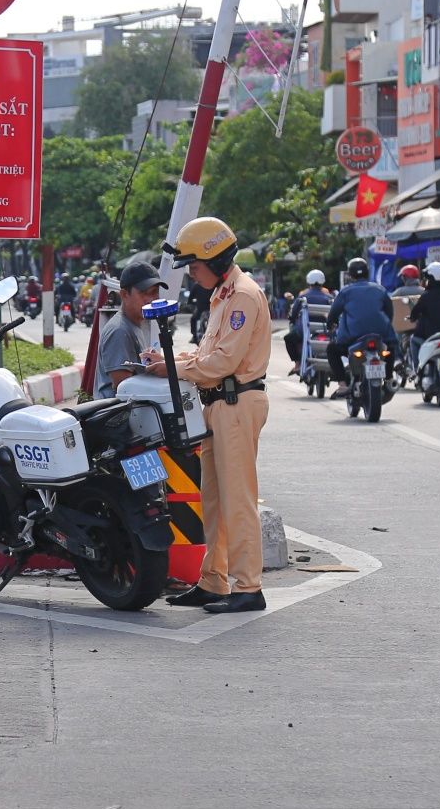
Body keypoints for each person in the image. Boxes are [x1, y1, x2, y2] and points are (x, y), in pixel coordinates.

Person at [140, 216, 271, 614]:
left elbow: (223, 362)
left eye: (194, 266)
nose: (192, 274)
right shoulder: (222, 295)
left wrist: (172, 368)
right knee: (213, 500)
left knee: (238, 500)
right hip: (217, 404)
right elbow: (206, 353)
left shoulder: (243, 296)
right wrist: (170, 358)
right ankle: (214, 581)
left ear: (214, 260)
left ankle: (248, 587)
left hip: (236, 403)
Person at [327, 257, 398, 399]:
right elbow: (389, 313)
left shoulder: (346, 292)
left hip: (353, 337)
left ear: (350, 275)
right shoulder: (380, 290)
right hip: (380, 335)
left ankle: (342, 385)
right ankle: (389, 378)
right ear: (367, 273)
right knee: (390, 347)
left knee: (331, 349)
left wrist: (331, 325)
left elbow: (334, 313)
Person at [94, 262, 165, 398]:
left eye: (155, 292)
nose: (151, 299)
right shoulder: (120, 331)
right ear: (125, 295)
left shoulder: (134, 324)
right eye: (143, 293)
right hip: (119, 410)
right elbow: (124, 389)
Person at [286, 268, 333, 374]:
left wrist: (292, 318)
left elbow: (293, 313)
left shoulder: (303, 297)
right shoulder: (329, 297)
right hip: (325, 331)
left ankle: (298, 364)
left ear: (308, 282)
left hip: (304, 331)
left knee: (288, 338)